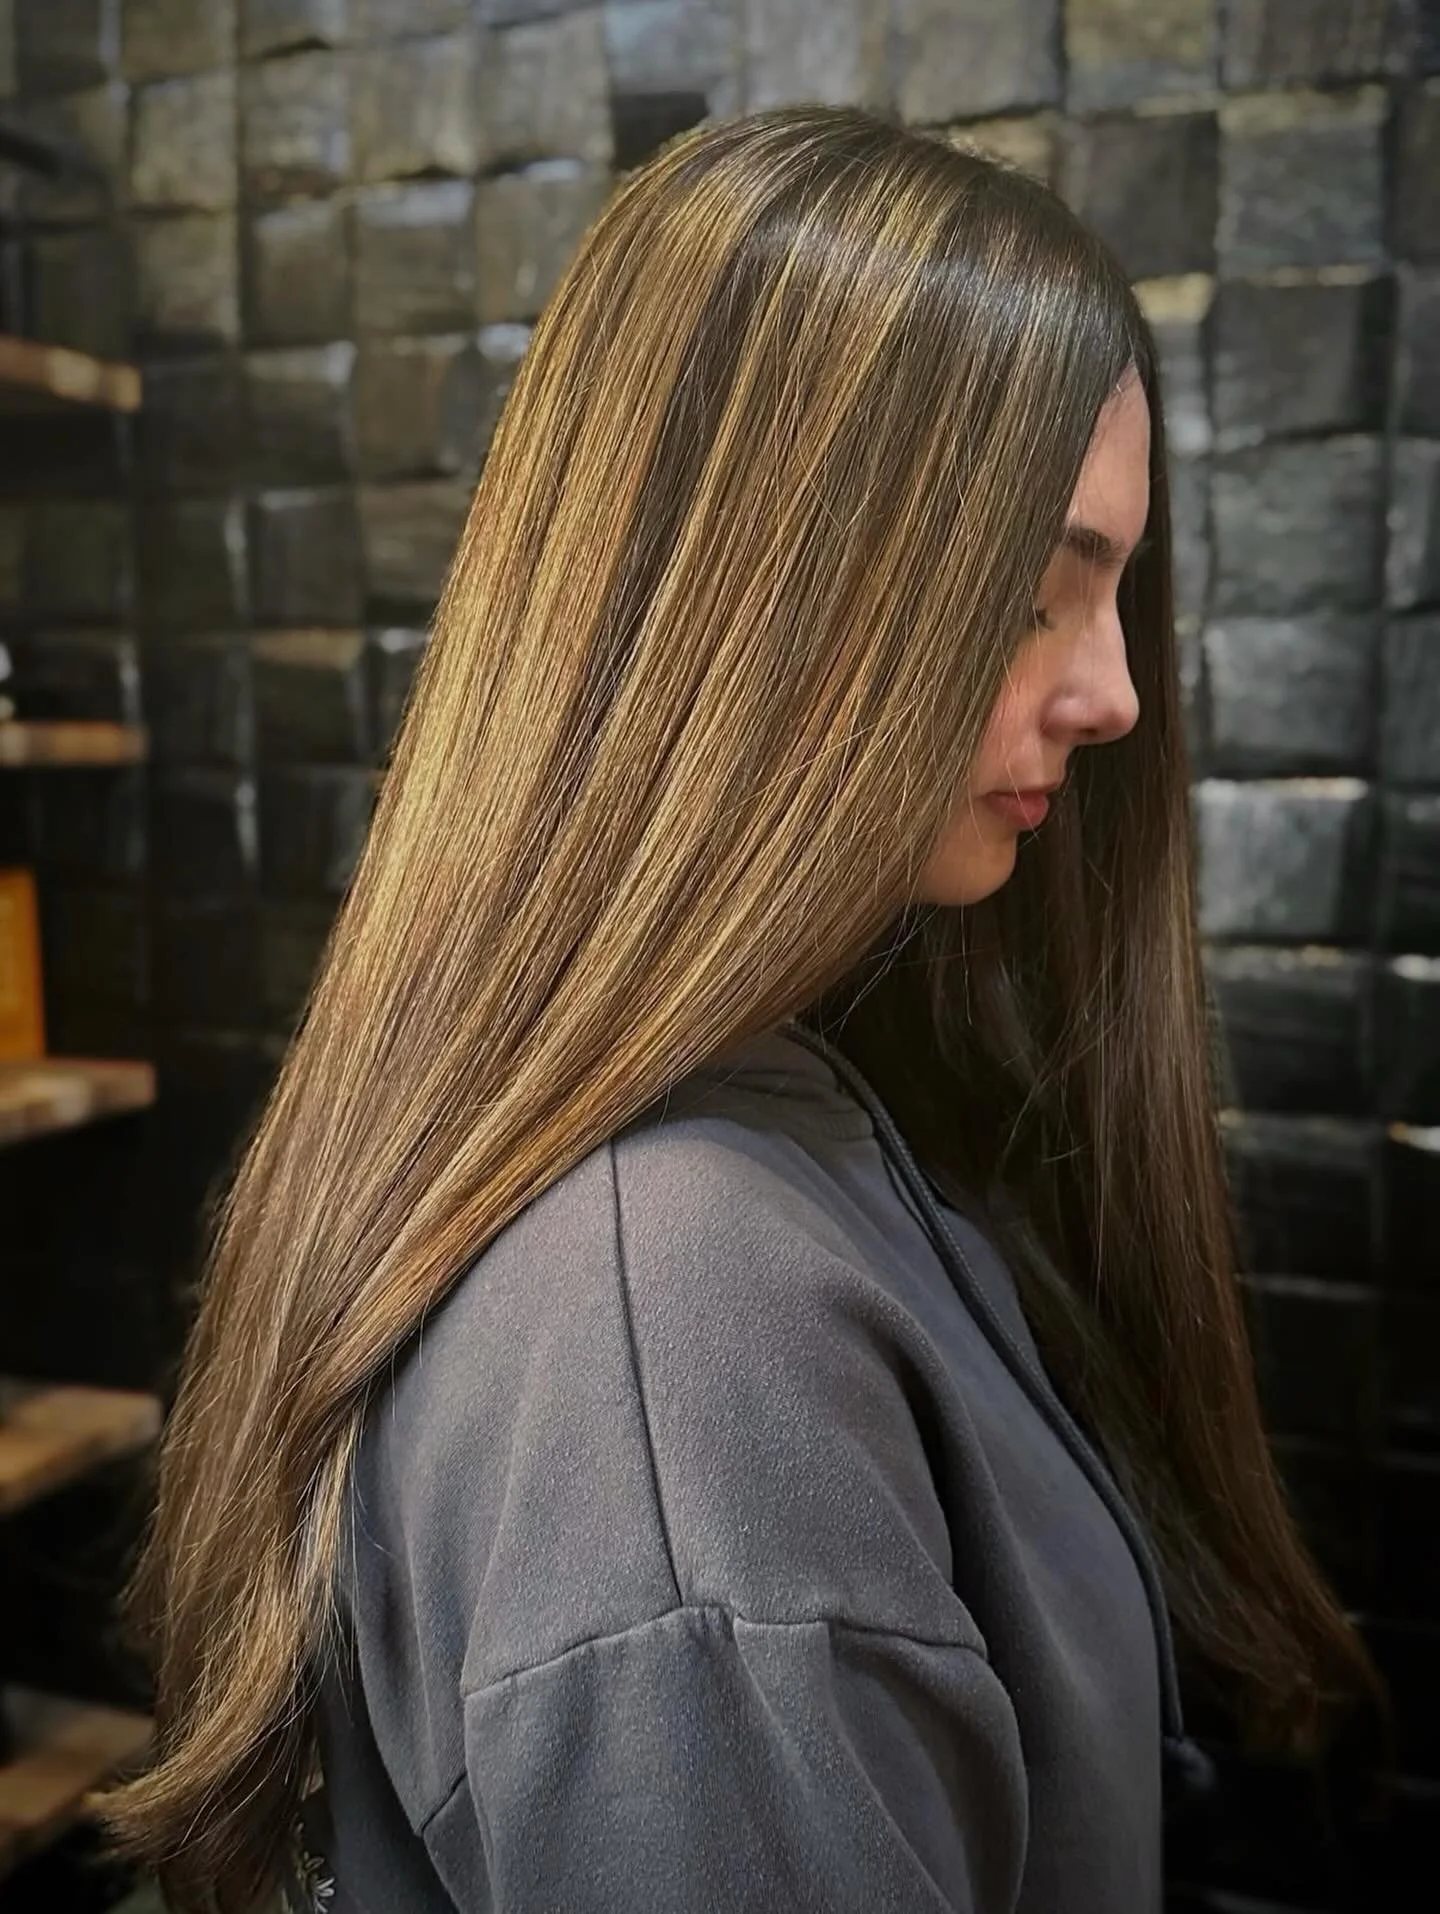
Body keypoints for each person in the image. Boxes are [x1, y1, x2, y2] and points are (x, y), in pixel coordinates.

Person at [97, 104, 1379, 1913]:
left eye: (1113, 592)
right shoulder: (679, 1354)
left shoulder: (778, 1140)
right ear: (750, 606)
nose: (1112, 693)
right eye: (1034, 591)